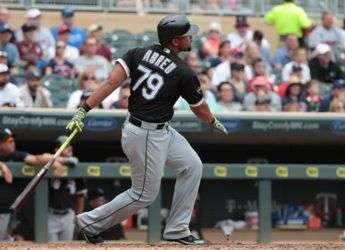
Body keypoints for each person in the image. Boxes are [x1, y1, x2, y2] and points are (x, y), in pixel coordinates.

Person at [67, 15, 227, 245]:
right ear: (174, 41)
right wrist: (213, 121)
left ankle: (177, 229)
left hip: (158, 129)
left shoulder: (137, 53)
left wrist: (84, 109)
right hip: (146, 134)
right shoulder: (183, 72)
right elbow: (200, 110)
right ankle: (89, 223)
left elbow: (110, 83)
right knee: (143, 194)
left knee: (192, 166)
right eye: (186, 34)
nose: (191, 37)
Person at [0, 128, 64, 240]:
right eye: (9, 141)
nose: (13, 144)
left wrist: (57, 161)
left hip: (8, 210)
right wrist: (2, 166)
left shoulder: (16, 155)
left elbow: (36, 158)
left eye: (13, 141)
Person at [48, 135, 86, 241]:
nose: (69, 148)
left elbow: (80, 195)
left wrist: (78, 217)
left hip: (68, 215)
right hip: (51, 214)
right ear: (57, 150)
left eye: (70, 145)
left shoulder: (76, 168)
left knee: (67, 246)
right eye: (65, 146)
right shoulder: (49, 165)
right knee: (50, 247)